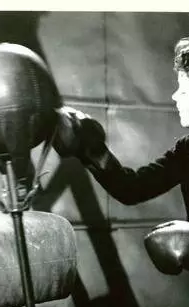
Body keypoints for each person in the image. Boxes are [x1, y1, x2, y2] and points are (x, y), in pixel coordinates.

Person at [53, 36, 189, 220]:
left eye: (184, 90)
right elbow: (131, 189)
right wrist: (90, 147)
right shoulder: (186, 150)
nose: (175, 96)